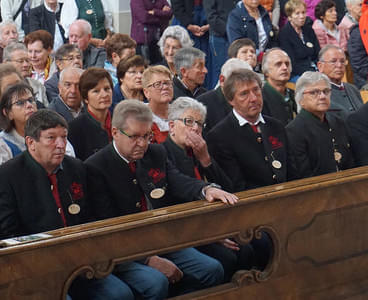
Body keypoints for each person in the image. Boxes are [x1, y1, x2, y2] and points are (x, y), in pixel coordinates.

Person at [85, 99, 237, 298]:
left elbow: (178, 181)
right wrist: (148, 259)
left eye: (147, 136)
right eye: (135, 137)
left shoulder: (155, 152)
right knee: (155, 282)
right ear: (115, 132)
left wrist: (206, 189)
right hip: (123, 251)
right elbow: (107, 226)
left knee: (212, 269)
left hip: (161, 238)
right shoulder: (96, 167)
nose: (142, 143)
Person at [0, 109, 135, 300]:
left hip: (82, 261)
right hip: (36, 268)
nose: (61, 145)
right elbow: (9, 234)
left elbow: (91, 216)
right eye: (51, 138)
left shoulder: (77, 168)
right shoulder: (8, 176)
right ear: (31, 143)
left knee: (120, 294)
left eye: (64, 137)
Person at [164, 96, 254, 282]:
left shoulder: (199, 150)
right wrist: (212, 235)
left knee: (247, 248)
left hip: (215, 222)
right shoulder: (163, 153)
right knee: (226, 258)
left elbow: (228, 188)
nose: (195, 128)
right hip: (187, 230)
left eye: (199, 124)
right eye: (188, 121)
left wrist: (206, 159)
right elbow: (180, 196)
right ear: (172, 126)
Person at [207, 69, 291, 192]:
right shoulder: (220, 136)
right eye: (244, 93)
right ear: (231, 100)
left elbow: (292, 169)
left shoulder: (276, 126)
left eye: (256, 90)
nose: (253, 98)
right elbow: (235, 185)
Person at [286, 71, 354, 178]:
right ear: (300, 99)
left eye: (326, 91)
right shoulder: (294, 130)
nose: (322, 96)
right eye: (314, 92)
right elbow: (303, 174)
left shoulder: (337, 121)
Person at [197, 58, 253, 135]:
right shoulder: (202, 104)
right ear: (222, 80)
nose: (244, 87)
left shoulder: (253, 100)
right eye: (238, 82)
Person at [68, 67, 113, 160]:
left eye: (107, 89)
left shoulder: (122, 121)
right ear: (85, 98)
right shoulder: (74, 129)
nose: (104, 95)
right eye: (96, 91)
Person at [278, 0, 320, 82]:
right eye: (297, 13)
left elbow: (318, 53)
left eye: (303, 12)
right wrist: (311, 73)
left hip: (315, 70)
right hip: (297, 74)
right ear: (289, 17)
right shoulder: (284, 34)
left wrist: (319, 68)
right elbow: (291, 63)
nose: (302, 16)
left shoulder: (308, 29)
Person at [317, 45, 363, 119]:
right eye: (333, 61)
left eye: (342, 61)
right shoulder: (317, 93)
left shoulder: (353, 89)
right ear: (320, 66)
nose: (339, 65)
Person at [203, 0, 237, 88]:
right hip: (220, 36)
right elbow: (211, 16)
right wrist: (230, 30)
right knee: (221, 72)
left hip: (237, 36)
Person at [3, 42, 49, 107]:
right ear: (6, 63)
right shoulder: (2, 87)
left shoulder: (37, 85)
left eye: (27, 60)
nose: (26, 65)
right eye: (20, 61)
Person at [261, 48, 297, 125]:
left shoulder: (296, 95)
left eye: (287, 64)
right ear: (265, 71)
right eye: (278, 64)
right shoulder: (260, 98)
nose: (284, 68)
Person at [130, 0, 172, 65]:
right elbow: (144, 17)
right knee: (144, 67)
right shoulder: (136, 1)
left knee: (160, 67)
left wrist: (155, 12)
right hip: (142, 41)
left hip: (158, 40)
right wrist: (162, 15)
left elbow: (170, 13)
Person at [142, 65, 173, 144]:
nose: (165, 87)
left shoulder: (181, 113)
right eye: (158, 84)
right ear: (146, 92)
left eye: (167, 83)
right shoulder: (140, 116)